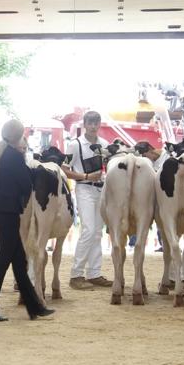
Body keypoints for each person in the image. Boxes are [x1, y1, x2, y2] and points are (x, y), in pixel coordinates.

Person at [0, 119, 54, 322]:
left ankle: (33, 307)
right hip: (7, 213)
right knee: (3, 261)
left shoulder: (2, 153)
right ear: (18, 136)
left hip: (2, 211)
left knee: (19, 262)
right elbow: (25, 184)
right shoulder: (14, 156)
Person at [62, 111, 113, 290]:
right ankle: (76, 275)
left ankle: (94, 273)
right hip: (84, 189)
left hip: (101, 190)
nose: (93, 126)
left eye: (96, 123)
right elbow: (64, 168)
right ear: (84, 124)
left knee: (97, 232)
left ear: (99, 124)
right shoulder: (74, 145)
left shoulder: (104, 144)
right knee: (89, 230)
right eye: (90, 123)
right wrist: (85, 175)